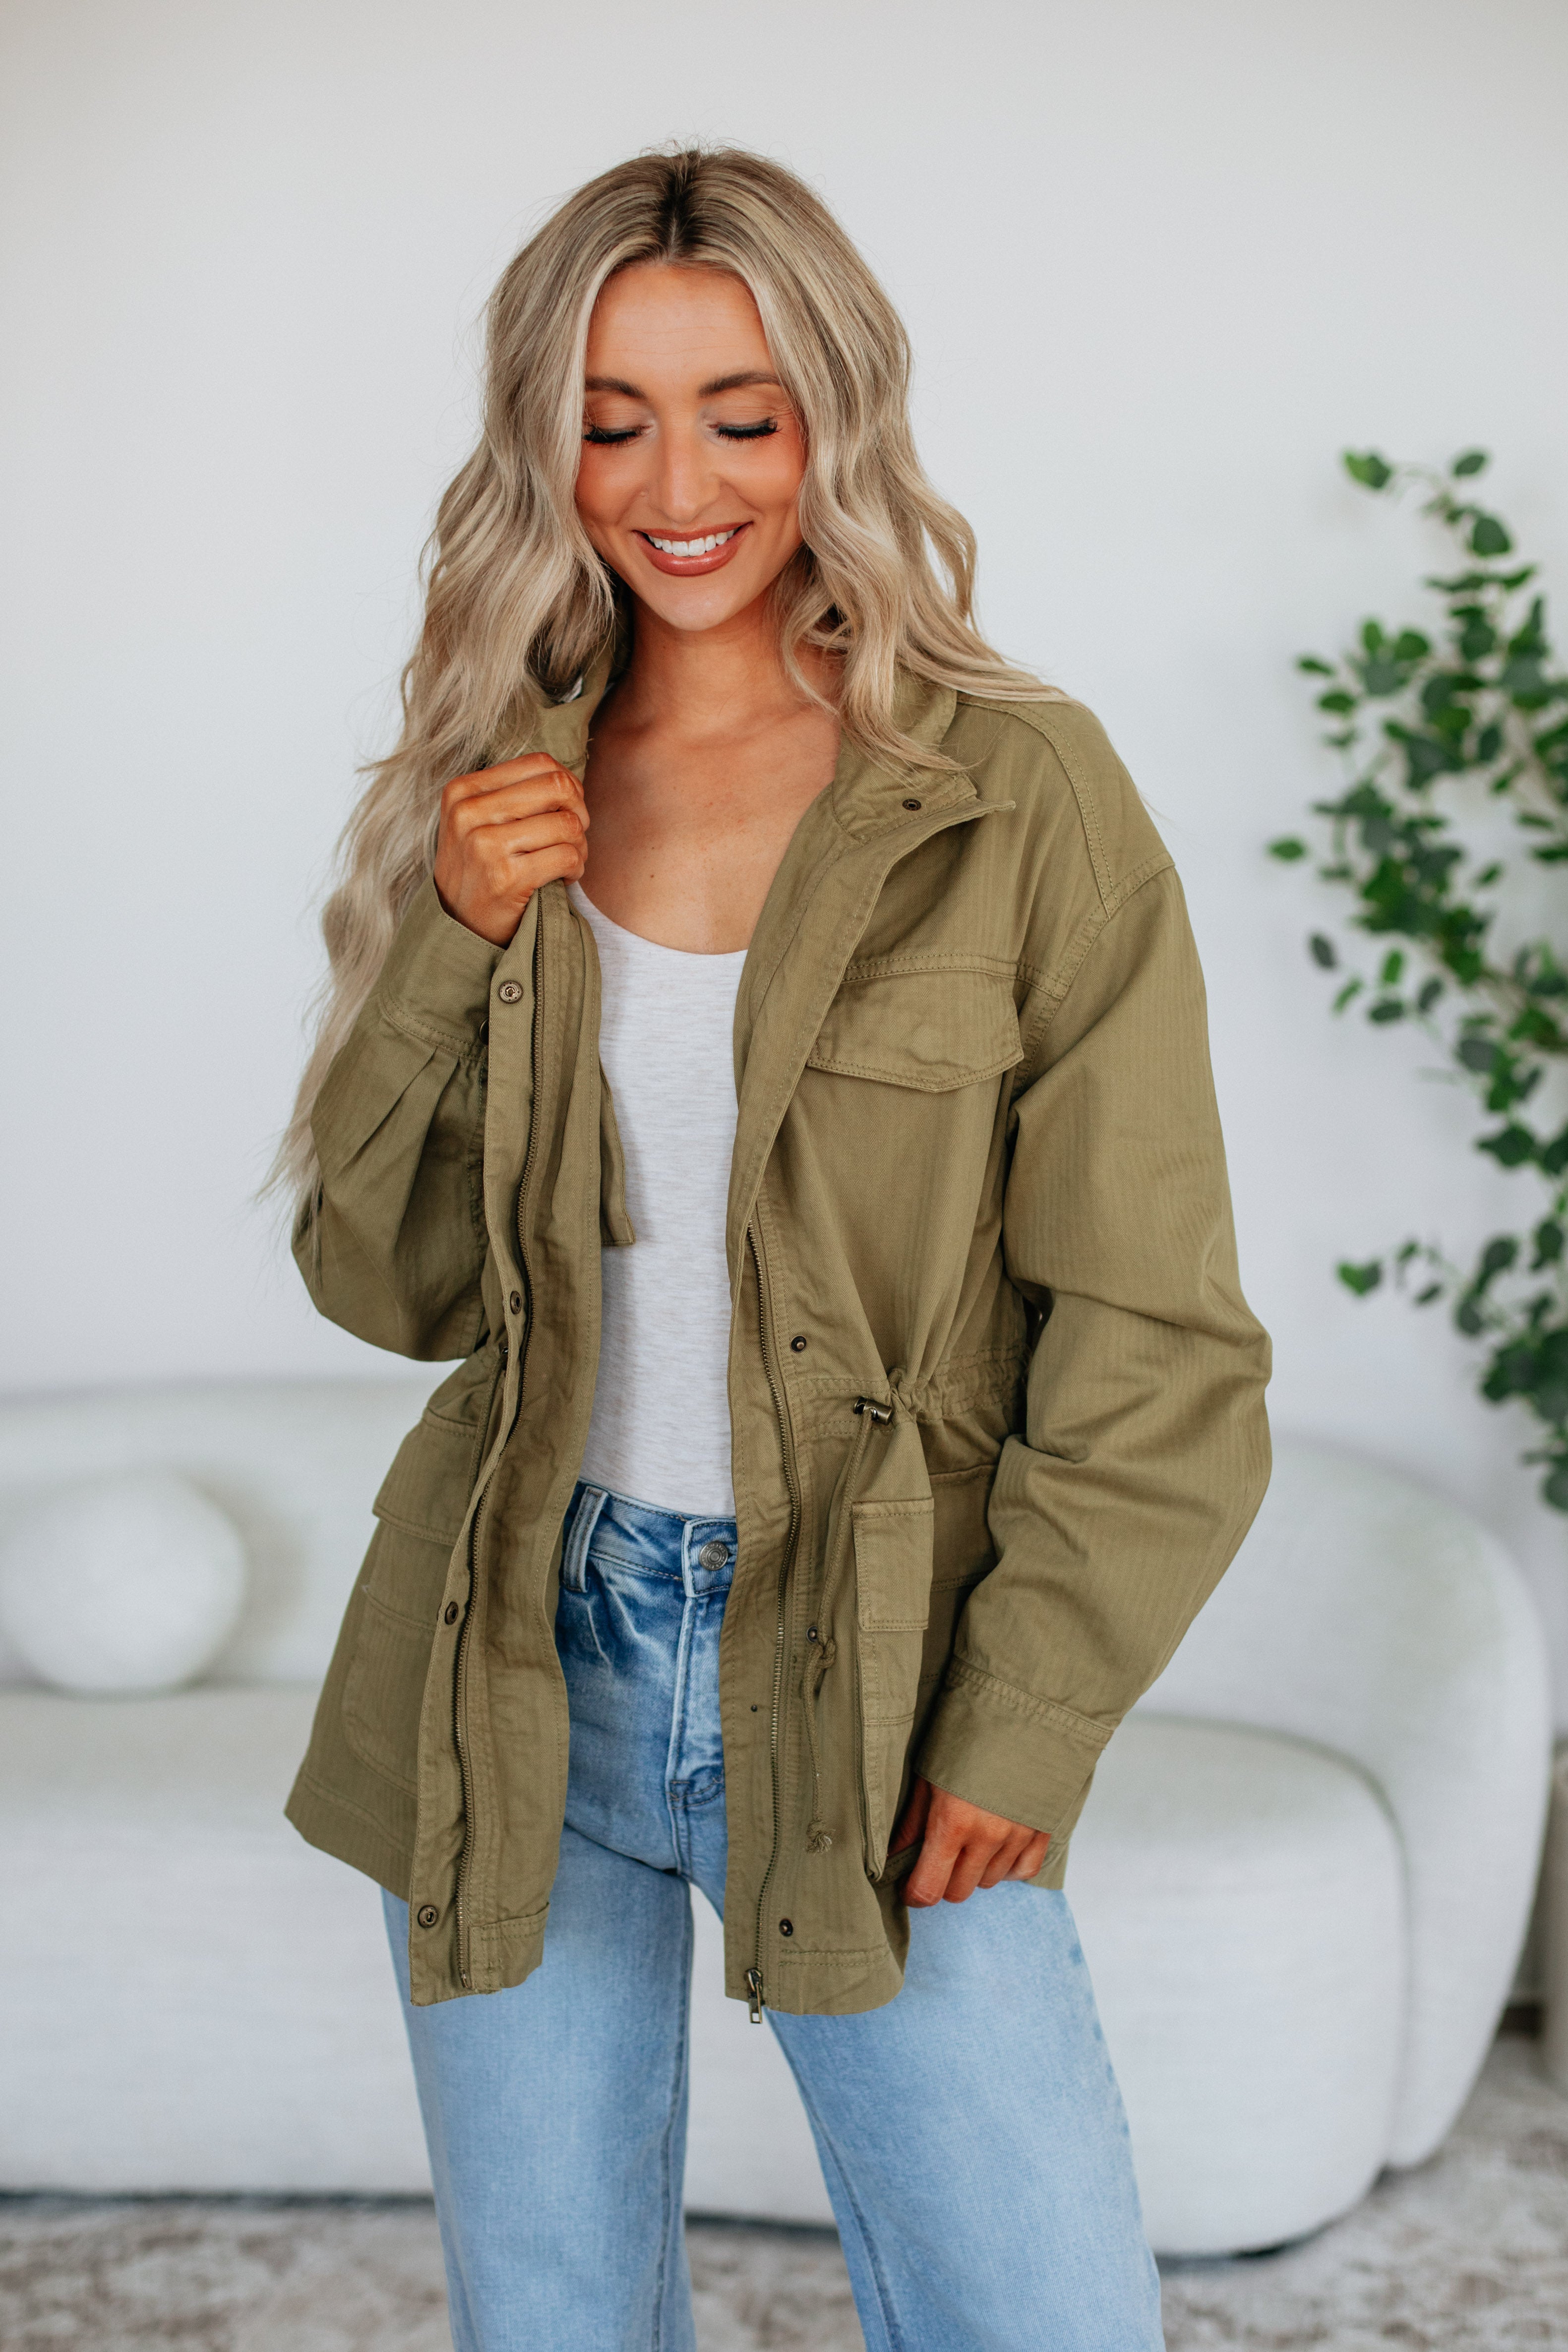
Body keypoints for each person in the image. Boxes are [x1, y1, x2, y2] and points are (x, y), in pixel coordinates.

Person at [278, 145, 1270, 2352]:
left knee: (1037, 2316)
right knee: (553, 2318)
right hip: (518, 1639)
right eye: (609, 419)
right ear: (538, 441)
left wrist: (1025, 1718)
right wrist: (450, 939)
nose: (676, 485)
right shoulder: (495, 777)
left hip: (871, 1649)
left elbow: (1157, 1332)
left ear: (838, 411)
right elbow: (387, 1285)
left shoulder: (1015, 791)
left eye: (741, 412)